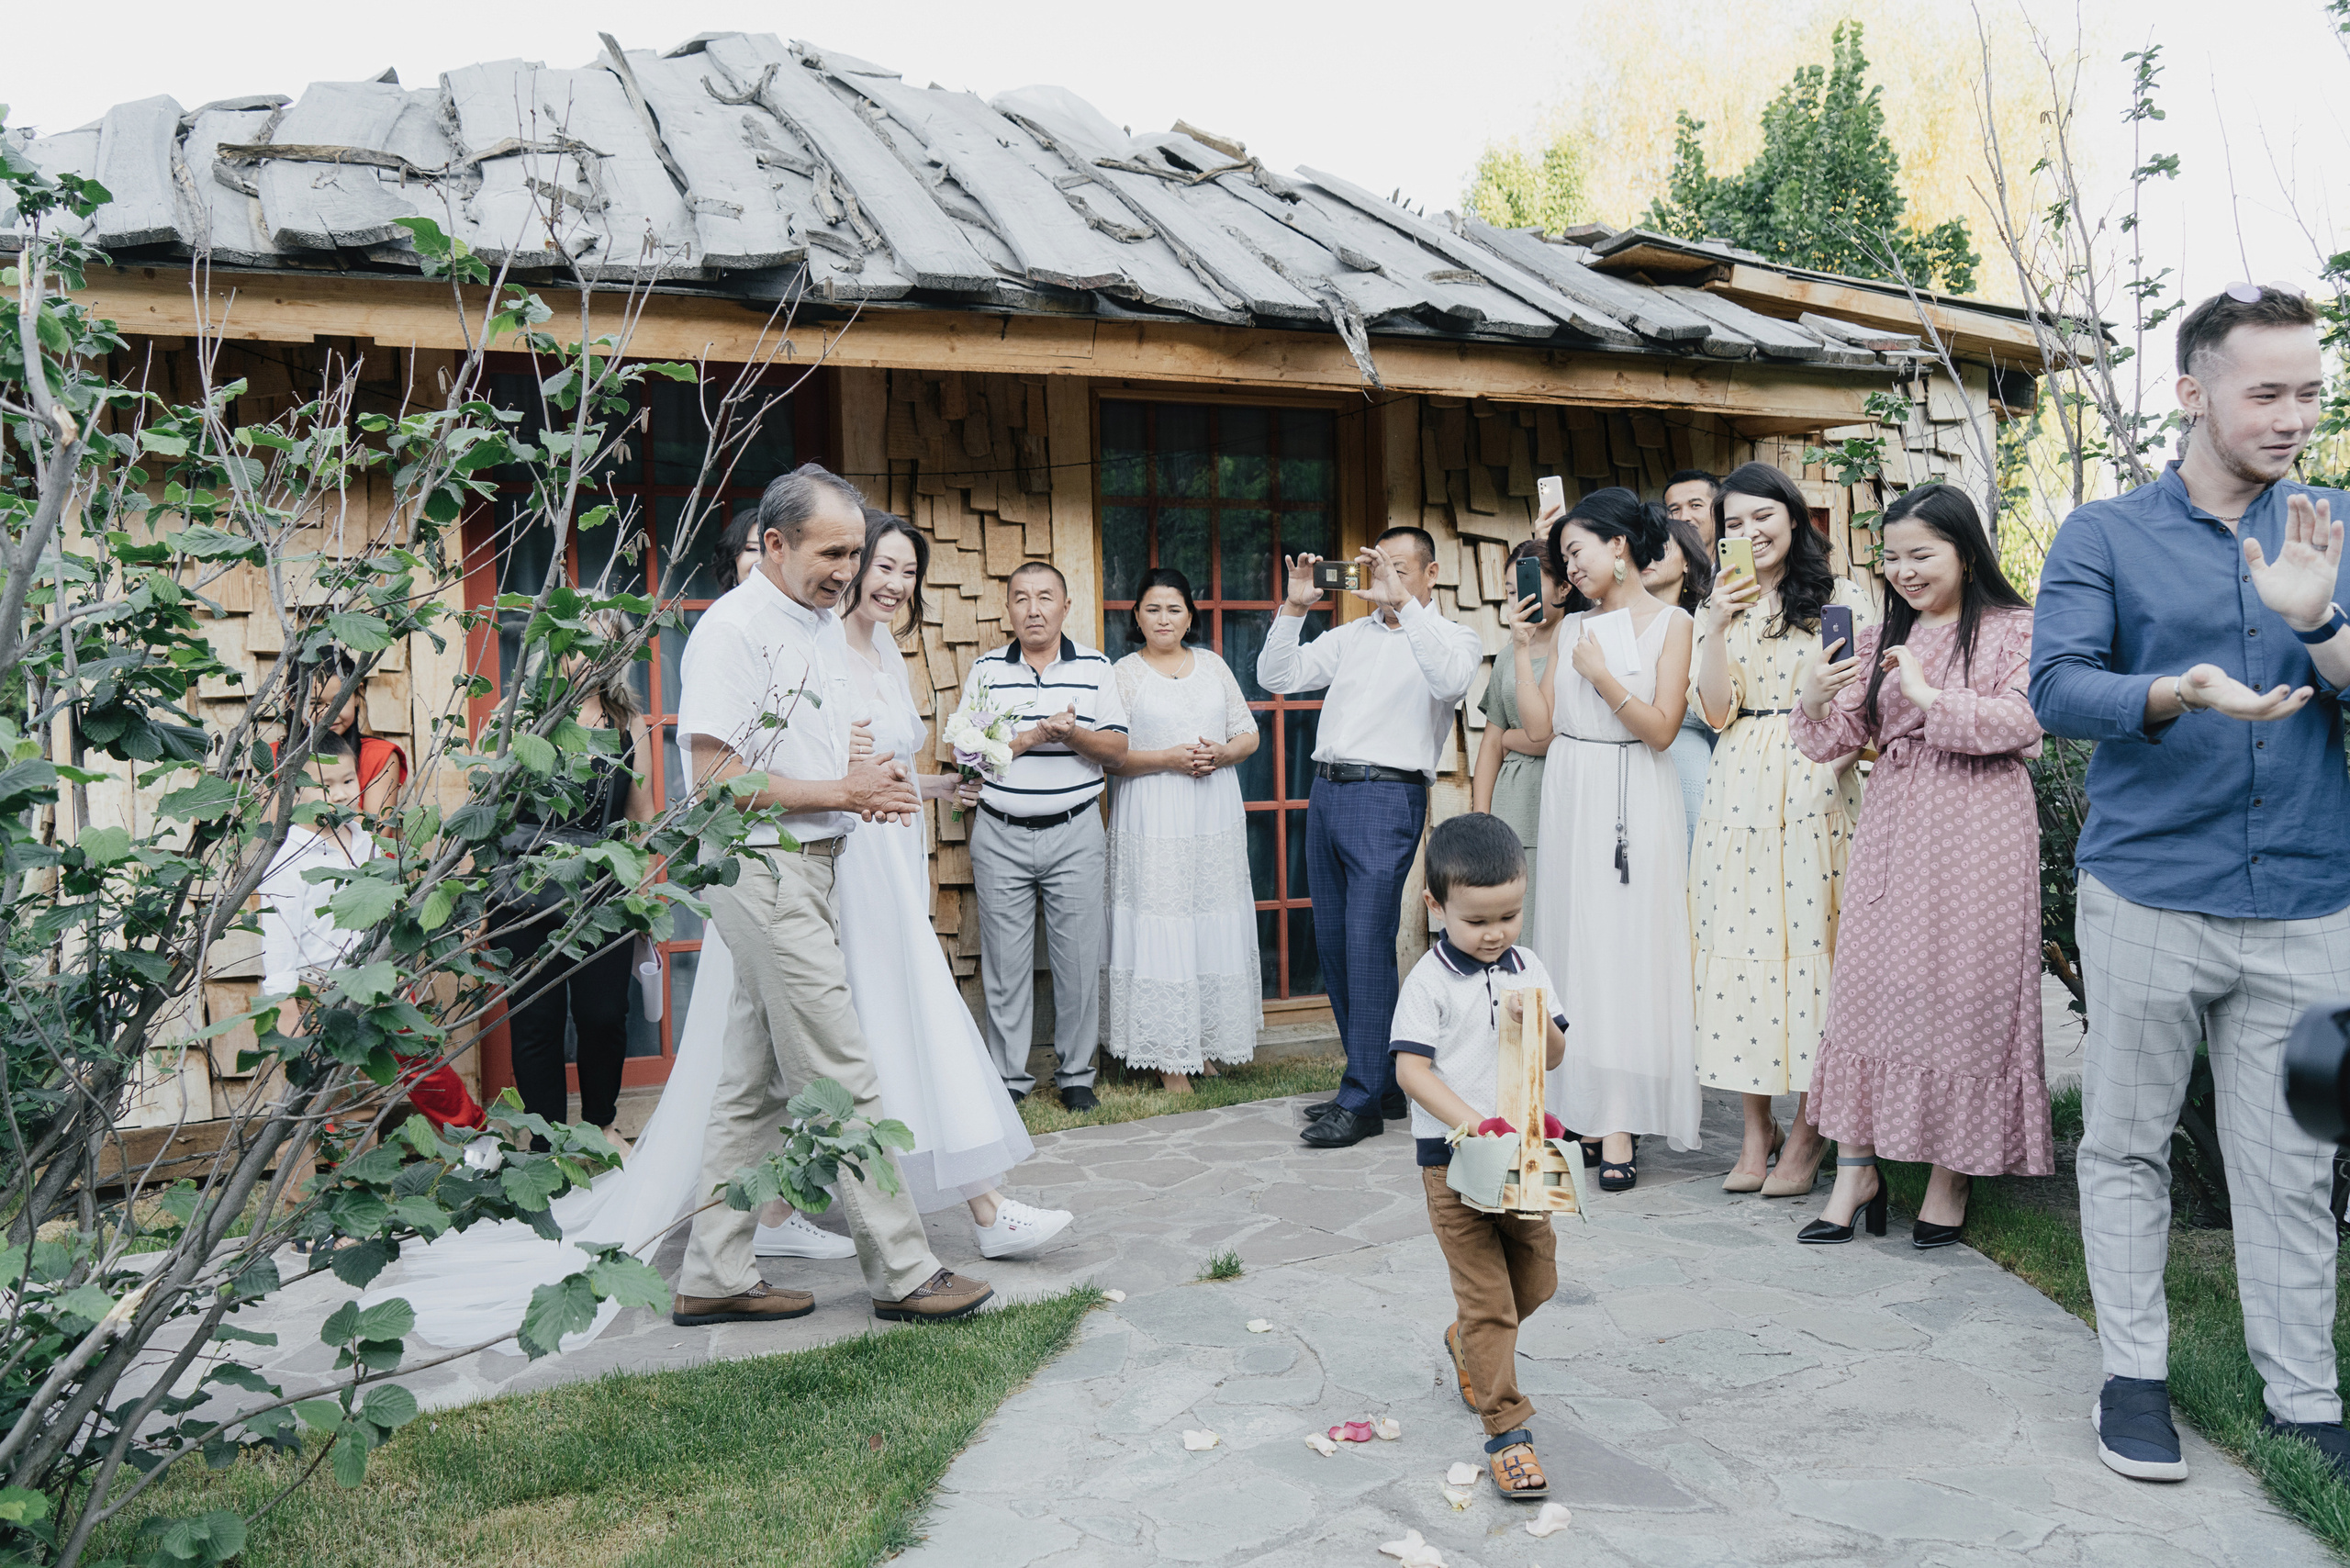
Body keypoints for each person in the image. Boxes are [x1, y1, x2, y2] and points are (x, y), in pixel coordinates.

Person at [2029, 285, 2350, 1484]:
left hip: (2312, 906)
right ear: (2193, 392)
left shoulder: (2336, 524)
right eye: (2266, 390)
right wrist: (2174, 690)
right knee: (2124, 1143)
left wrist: (2319, 623)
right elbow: (2055, 689)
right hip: (2150, 896)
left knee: (2295, 1161)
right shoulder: (2103, 536)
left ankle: (2306, 1406)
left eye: (2308, 390)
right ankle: (2136, 1379)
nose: (2291, 415)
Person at [672, 464, 990, 1328]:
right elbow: (714, 783)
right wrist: (841, 793)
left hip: (809, 865)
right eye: (833, 551)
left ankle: (713, 1272)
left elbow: (814, 752)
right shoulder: (733, 631)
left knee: (753, 1091)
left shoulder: (809, 625)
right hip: (762, 868)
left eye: (856, 551)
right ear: (774, 545)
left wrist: (867, 779)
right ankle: (906, 1272)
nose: (849, 570)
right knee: (844, 1074)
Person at [748, 508, 1071, 1260]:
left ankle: (768, 1215)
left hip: (893, 855)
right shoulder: (818, 647)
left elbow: (887, 770)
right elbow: (824, 767)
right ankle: (986, 1209)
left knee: (848, 1031)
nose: (895, 583)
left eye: (908, 571)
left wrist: (941, 787)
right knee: (895, 1017)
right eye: (883, 566)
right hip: (846, 861)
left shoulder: (886, 650)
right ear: (853, 567)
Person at [1790, 484, 2050, 1247]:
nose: (1903, 571)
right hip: (1898, 822)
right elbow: (1830, 742)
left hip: (1983, 827)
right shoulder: (1875, 638)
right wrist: (1812, 697)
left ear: (1965, 552)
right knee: (1873, 991)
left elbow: (2026, 719)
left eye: (1921, 554)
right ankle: (1856, 1170)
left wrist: (1929, 694)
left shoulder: (2015, 629)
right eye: (1891, 557)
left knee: (1966, 992)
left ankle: (1950, 1174)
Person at [1259, 528, 1483, 1149]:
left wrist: (1403, 604)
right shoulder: (1352, 635)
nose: (1383, 579)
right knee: (1335, 942)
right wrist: (1296, 608)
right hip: (1327, 791)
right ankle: (1378, 1082)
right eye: (1374, 568)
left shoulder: (1452, 636)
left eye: (1398, 568)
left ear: (1431, 573)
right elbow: (1278, 674)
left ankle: (1359, 1101)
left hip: (1387, 795)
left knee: (1366, 938)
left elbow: (1450, 683)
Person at [1690, 462, 1875, 1196]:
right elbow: (1713, 711)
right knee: (1740, 953)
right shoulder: (1722, 604)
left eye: (1761, 516)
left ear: (1794, 519)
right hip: (1736, 786)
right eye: (1732, 523)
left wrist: (1814, 698)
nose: (1748, 533)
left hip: (1815, 778)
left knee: (1811, 952)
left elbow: (1857, 706)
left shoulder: (1840, 597)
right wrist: (1713, 623)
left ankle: (1809, 1135)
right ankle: (1753, 1131)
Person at [1516, 488, 1700, 1188]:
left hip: (1634, 793)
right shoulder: (1570, 627)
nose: (1570, 567)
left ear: (1619, 545)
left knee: (1627, 951)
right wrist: (1529, 647)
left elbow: (1660, 730)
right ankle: (1581, 1110)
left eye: (1576, 551)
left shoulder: (1672, 624)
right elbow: (1541, 728)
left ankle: (1620, 1119)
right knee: (1574, 947)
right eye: (1563, 556)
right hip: (1572, 785)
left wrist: (1602, 677)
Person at [1390, 812, 1568, 1501]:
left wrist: (1544, 1026)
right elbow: (1411, 1072)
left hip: (1524, 1152)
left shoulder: (1530, 967)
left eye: (1510, 915)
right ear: (1436, 907)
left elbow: (1555, 1053)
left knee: (1539, 1279)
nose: (1496, 933)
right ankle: (1507, 1432)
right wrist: (1474, 1124)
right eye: (1477, 921)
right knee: (1490, 1302)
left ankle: (1465, 1340)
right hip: (1454, 1161)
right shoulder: (1429, 983)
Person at [957, 562, 1129, 1111]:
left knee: (1077, 960)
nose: (1034, 609)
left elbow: (1118, 750)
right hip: (1000, 831)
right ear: (1008, 608)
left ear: (1065, 606)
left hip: (1075, 829)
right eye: (1022, 598)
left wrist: (1073, 733)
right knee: (1005, 965)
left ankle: (1077, 1075)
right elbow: (969, 755)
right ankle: (1009, 1080)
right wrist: (1036, 734)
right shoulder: (985, 670)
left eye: (1045, 597)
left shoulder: (1097, 667)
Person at [258, 728, 485, 1137]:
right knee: (321, 1087)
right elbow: (278, 932)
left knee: (422, 1061)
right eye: (326, 786)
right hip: (316, 987)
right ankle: (320, 1176)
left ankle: (472, 1135)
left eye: (348, 781)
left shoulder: (364, 840)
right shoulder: (288, 855)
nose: (342, 794)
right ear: (295, 790)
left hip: (377, 974)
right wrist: (284, 1001)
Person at [491, 611, 656, 1154]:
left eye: (605, 643)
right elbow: (486, 802)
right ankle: (544, 1144)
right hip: (522, 887)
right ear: (557, 644)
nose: (591, 653)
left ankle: (602, 1126)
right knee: (536, 1020)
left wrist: (645, 893)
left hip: (601, 889)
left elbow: (641, 814)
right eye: (580, 639)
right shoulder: (521, 714)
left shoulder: (630, 724)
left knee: (604, 1015)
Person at [1101, 566, 1262, 1092]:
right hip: (1152, 810)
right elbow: (1112, 759)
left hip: (1211, 807)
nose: (1163, 618)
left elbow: (1248, 733)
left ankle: (1205, 1045)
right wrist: (1168, 758)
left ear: (1190, 614)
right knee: (1162, 915)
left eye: (1174, 608)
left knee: (1208, 915)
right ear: (1137, 616)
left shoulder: (1213, 665)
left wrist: (1222, 752)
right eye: (1152, 608)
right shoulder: (1123, 673)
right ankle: (1169, 1057)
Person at [1472, 541, 1561, 954]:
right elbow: (1491, 742)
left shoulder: (1577, 642)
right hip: (1512, 802)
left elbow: (1554, 735)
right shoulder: (1509, 655)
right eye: (1511, 590)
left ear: (1563, 588)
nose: (1519, 598)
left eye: (1528, 585)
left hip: (1557, 795)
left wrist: (1513, 738)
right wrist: (1480, 819)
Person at [1639, 514, 1718, 850]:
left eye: (1660, 550)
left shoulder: (1705, 622)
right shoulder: (1618, 622)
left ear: (1687, 560)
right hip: (1635, 758)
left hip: (1687, 760)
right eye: (1641, 551)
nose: (1648, 558)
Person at [1663, 469, 1721, 554]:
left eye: (1695, 505)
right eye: (1675, 509)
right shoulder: (1658, 567)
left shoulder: (1741, 565)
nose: (1684, 517)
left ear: (1718, 510)